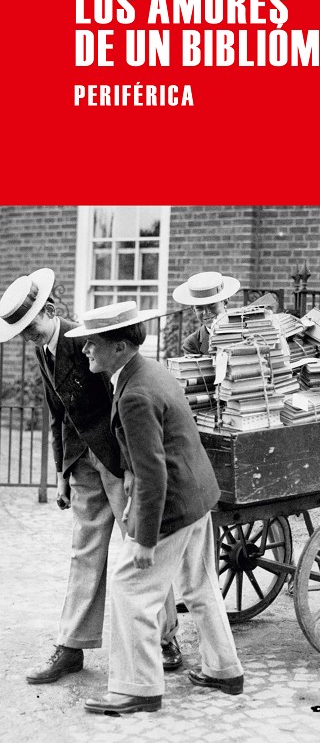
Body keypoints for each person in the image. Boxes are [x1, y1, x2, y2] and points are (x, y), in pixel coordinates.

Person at [0, 269, 180, 683]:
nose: (27, 335)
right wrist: (62, 472)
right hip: (82, 462)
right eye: (21, 331)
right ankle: (72, 646)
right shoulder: (42, 350)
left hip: (116, 458)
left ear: (49, 310)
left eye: (31, 325)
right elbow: (58, 414)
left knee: (139, 544)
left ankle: (166, 638)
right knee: (84, 551)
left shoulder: (84, 341)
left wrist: (131, 467)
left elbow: (124, 402)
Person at [66, 301, 243, 715]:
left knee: (129, 588)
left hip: (174, 504)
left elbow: (154, 474)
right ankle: (224, 670)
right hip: (197, 497)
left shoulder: (135, 393)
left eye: (93, 343)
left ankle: (139, 688)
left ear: (120, 347)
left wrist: (145, 540)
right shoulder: (147, 371)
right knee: (200, 585)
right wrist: (130, 472)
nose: (86, 349)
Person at [173, 270, 241, 356]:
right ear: (193, 309)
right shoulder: (192, 343)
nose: (206, 312)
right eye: (199, 308)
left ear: (225, 301)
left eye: (212, 305)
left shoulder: (246, 328)